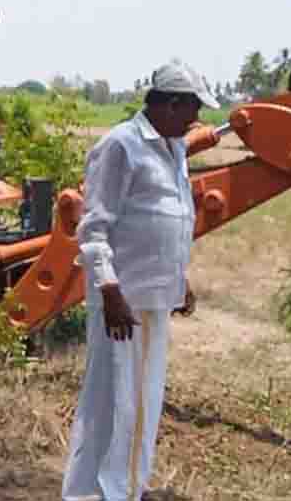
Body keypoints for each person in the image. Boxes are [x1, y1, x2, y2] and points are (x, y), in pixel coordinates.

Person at [61, 60, 218, 501]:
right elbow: (94, 229)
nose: (195, 120)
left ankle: (130, 486)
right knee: (112, 402)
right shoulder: (121, 146)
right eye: (191, 109)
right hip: (122, 299)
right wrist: (109, 290)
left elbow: (172, 218)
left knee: (145, 401)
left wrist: (179, 278)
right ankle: (94, 493)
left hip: (154, 296)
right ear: (169, 103)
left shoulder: (175, 148)